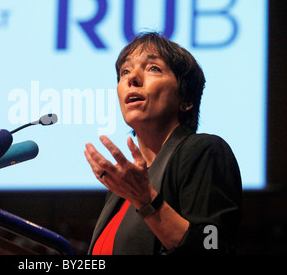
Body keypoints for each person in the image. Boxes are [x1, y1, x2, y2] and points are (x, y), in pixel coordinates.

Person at [84, 32, 242, 254]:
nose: (132, 79)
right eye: (125, 71)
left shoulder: (205, 151)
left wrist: (146, 201)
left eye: (153, 68)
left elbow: (213, 246)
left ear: (186, 100)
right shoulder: (123, 189)